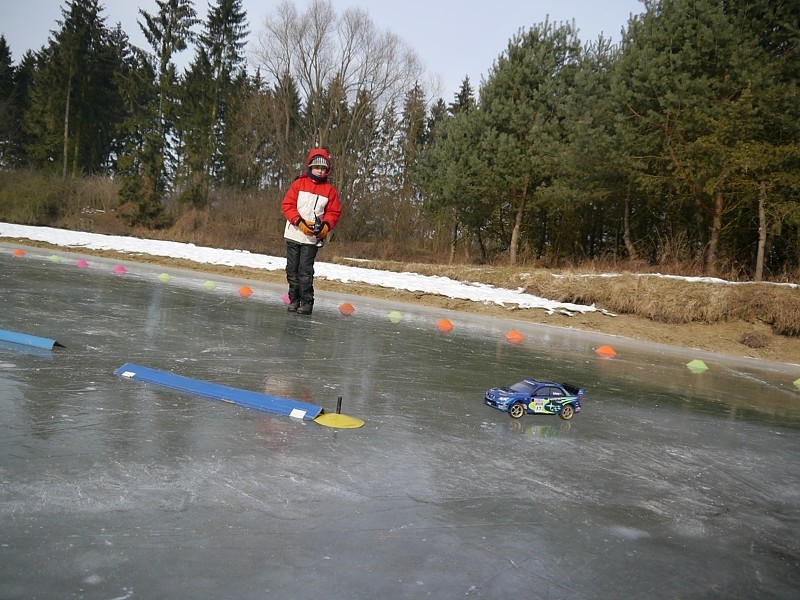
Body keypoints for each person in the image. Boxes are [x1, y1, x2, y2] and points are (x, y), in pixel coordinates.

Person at [281, 147, 342, 315]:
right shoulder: (298, 184)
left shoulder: (329, 190)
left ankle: (307, 302)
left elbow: (334, 212)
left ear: (327, 170)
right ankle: (294, 299)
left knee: (305, 271)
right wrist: (299, 222)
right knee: (292, 270)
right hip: (294, 233)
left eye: (323, 168)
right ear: (310, 167)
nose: (320, 171)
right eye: (317, 168)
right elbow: (287, 205)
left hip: (311, 239)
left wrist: (326, 226)